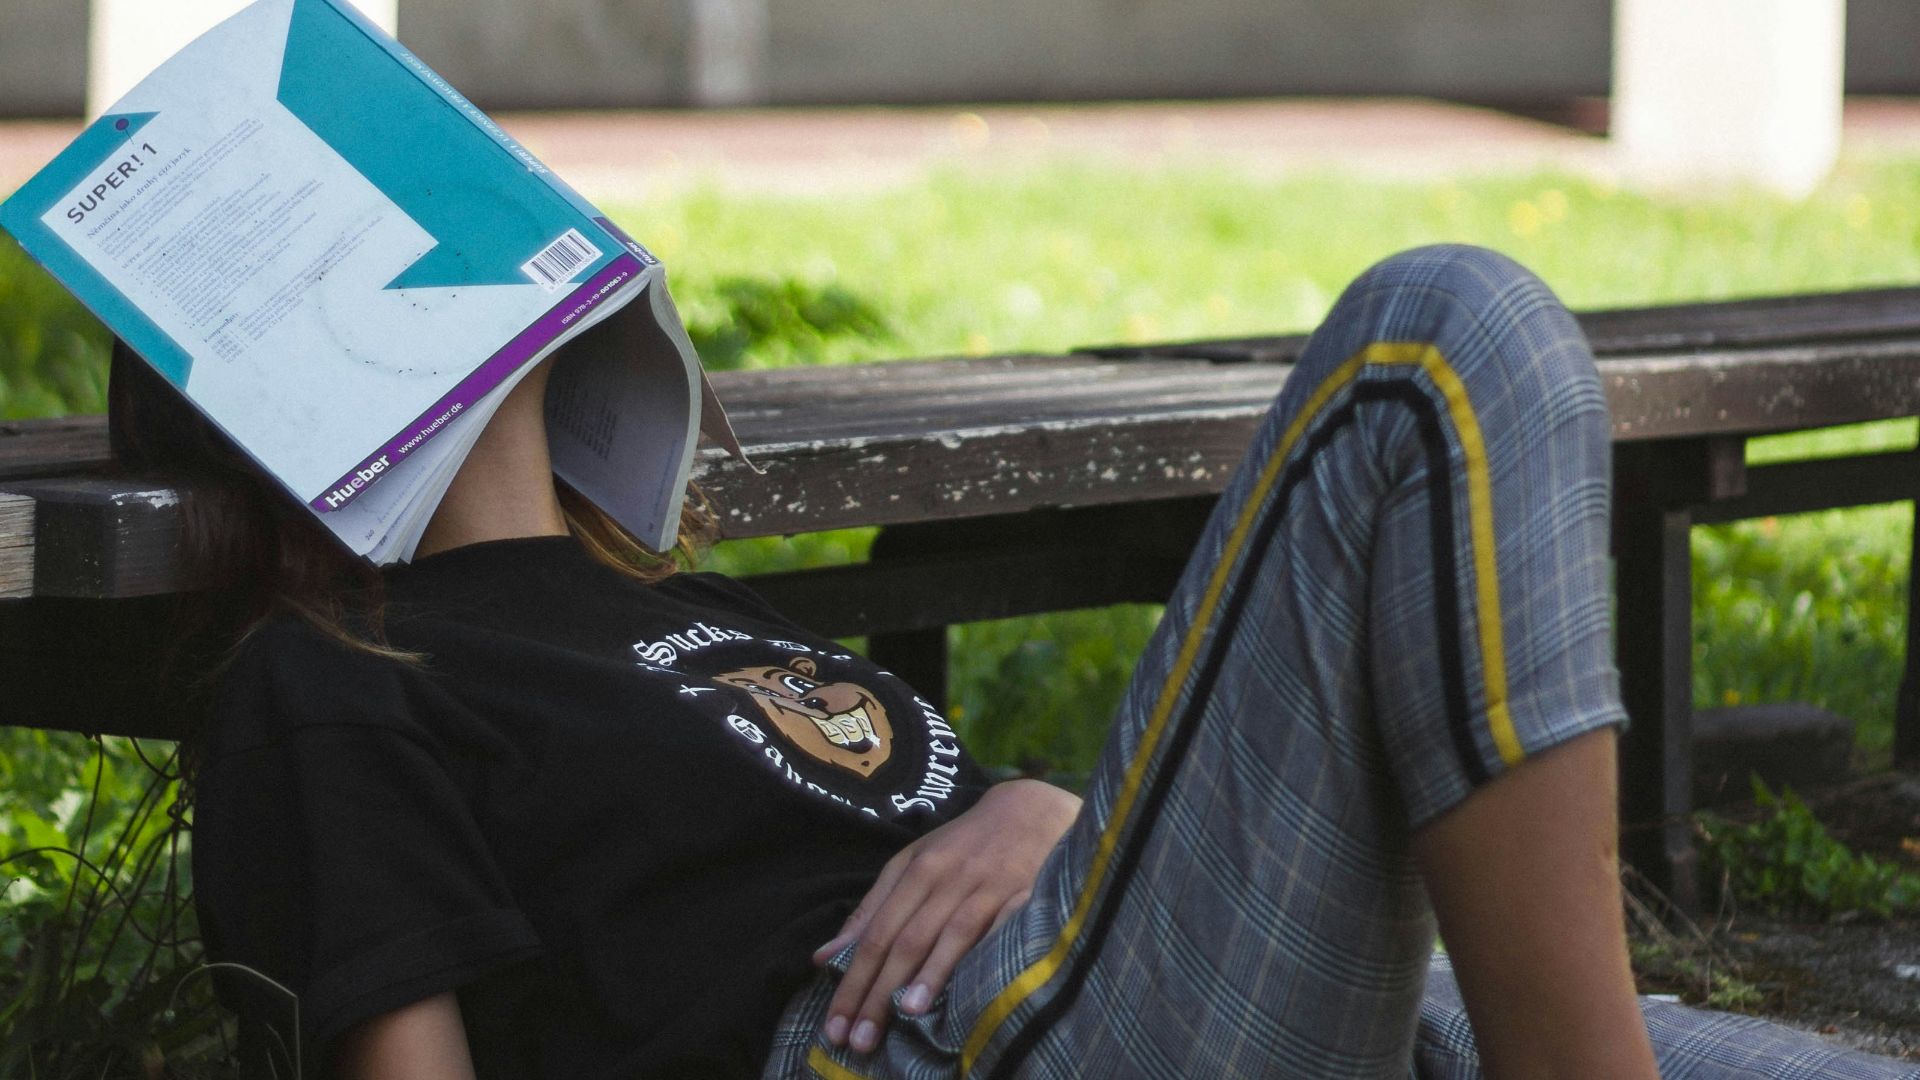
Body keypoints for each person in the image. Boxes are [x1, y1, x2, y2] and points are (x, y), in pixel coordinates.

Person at [115, 245, 1913, 1079]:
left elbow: (943, 835)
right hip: (938, 1057)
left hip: (1219, 999)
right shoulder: (332, 673)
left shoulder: (683, 609)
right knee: (1444, 339)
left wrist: (1048, 810)